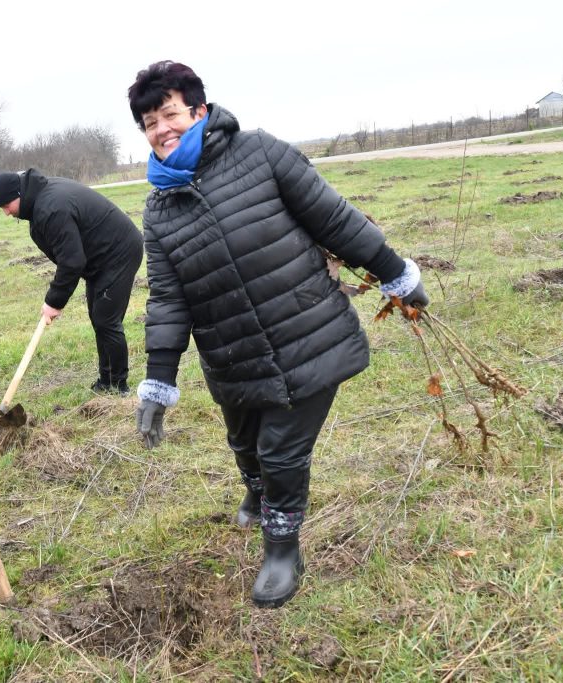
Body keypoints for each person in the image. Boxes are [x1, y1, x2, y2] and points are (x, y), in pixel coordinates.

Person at [127, 61, 429, 609]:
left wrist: (395, 274)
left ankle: (283, 549)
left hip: (306, 334)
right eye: (148, 122)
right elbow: (168, 298)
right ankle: (259, 491)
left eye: (168, 113)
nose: (160, 129)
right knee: (245, 444)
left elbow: (334, 220)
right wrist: (158, 380)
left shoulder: (260, 153)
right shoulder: (159, 208)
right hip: (232, 355)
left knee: (280, 451)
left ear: (198, 111)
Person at [0, 169, 144, 394]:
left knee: (106, 320)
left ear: (18, 194)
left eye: (6, 206)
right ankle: (106, 379)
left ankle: (119, 385)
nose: (6, 213)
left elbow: (71, 262)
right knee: (98, 317)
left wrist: (54, 301)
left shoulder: (51, 207)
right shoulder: (39, 201)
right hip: (98, 257)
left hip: (118, 252)